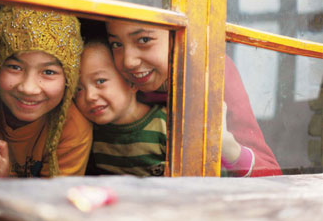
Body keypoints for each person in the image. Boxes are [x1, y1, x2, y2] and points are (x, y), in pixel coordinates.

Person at [105, 19, 282, 177]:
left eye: (144, 40)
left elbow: (271, 175)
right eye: (116, 44)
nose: (128, 61)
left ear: (178, 35)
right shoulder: (112, 74)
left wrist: (227, 147)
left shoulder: (212, 71)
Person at [0, 6, 92, 178]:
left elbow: (54, 201)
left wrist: (5, 183)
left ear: (69, 80)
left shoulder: (73, 129)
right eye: (15, 67)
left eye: (49, 72)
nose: (28, 88)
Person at [75, 38, 168, 176]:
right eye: (78, 89)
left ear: (132, 82)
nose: (89, 96)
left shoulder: (165, 124)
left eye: (100, 81)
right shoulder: (88, 131)